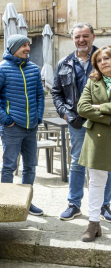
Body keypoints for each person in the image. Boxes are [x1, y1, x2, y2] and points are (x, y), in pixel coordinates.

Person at [52, 22, 111, 221]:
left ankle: (104, 205)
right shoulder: (64, 63)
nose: (81, 40)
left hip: (103, 122)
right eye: (77, 37)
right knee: (77, 162)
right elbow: (57, 92)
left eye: (85, 36)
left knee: (105, 163)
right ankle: (74, 204)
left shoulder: (103, 59)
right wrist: (64, 114)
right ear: (72, 39)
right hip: (77, 122)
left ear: (93, 37)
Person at [0, 34, 45, 216]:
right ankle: (7, 202)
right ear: (13, 48)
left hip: (31, 126)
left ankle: (27, 201)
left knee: (30, 166)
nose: (27, 48)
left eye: (28, 45)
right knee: (9, 166)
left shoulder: (34, 69)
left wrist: (38, 117)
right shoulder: (0, 70)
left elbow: (40, 95)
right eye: (23, 46)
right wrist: (6, 119)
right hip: (13, 127)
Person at [77, 45, 111, 241]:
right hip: (97, 138)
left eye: (107, 58)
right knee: (96, 183)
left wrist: (99, 106)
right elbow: (82, 108)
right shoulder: (92, 82)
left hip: (98, 129)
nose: (103, 62)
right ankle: (93, 224)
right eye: (99, 60)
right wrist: (108, 117)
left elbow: (91, 108)